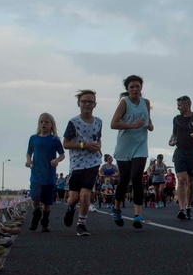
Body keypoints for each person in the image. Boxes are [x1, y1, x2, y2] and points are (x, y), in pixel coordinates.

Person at [110, 74, 153, 230]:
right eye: (132, 87)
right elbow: (113, 124)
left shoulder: (146, 103)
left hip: (140, 146)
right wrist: (134, 125)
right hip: (124, 147)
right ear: (127, 90)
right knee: (124, 179)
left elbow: (148, 120)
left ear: (141, 88)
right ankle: (117, 208)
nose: (135, 89)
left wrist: (150, 126)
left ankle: (137, 215)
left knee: (136, 178)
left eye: (137, 86)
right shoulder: (124, 103)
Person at [61, 89, 104, 236]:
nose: (87, 104)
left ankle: (81, 224)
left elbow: (98, 138)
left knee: (85, 195)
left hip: (93, 162)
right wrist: (83, 145)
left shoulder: (98, 122)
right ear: (79, 104)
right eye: (84, 101)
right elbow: (65, 144)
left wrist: (99, 148)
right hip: (77, 164)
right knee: (73, 198)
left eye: (90, 101)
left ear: (95, 104)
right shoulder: (73, 122)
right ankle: (71, 209)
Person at [25, 113, 65, 232]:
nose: (43, 124)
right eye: (41, 122)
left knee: (47, 202)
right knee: (35, 197)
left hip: (49, 176)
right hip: (36, 175)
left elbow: (62, 154)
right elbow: (29, 152)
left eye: (46, 122)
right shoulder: (33, 138)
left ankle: (45, 223)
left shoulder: (54, 139)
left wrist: (57, 160)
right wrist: (28, 161)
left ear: (51, 124)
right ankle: (36, 213)